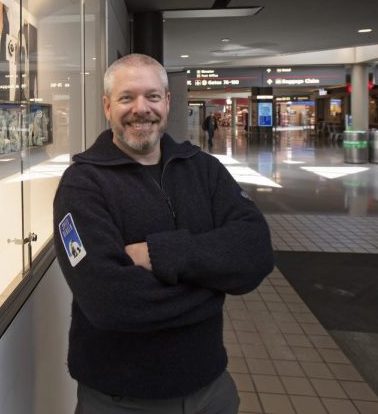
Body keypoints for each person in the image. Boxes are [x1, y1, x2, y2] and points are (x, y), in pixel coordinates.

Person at [53, 54, 274, 413]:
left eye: (152, 96)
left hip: (211, 390)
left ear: (168, 102)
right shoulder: (82, 184)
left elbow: (256, 251)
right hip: (121, 399)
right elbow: (109, 302)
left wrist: (159, 254)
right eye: (127, 98)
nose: (141, 108)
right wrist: (213, 288)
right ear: (107, 107)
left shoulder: (203, 169)